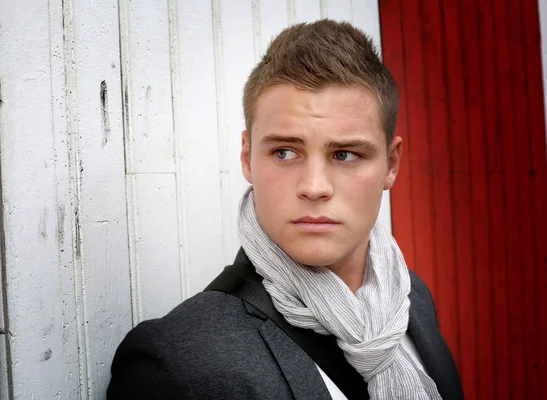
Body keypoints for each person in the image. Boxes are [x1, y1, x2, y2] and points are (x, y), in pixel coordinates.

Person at [107, 19, 463, 400]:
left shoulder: (411, 300)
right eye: (285, 152)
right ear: (247, 157)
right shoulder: (178, 364)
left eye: (345, 154)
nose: (314, 187)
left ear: (391, 165)